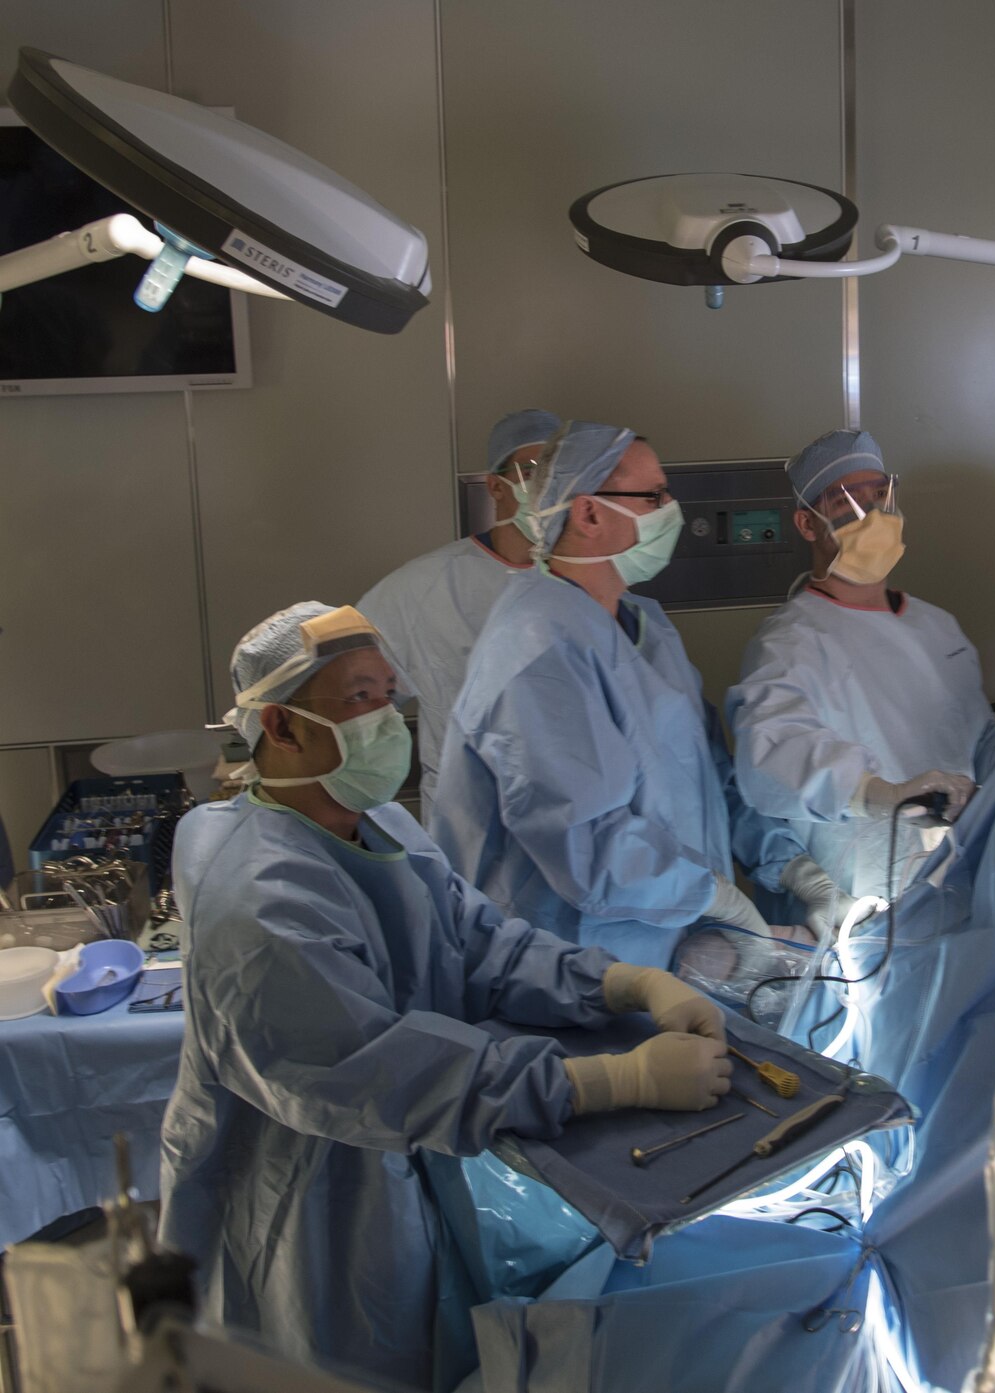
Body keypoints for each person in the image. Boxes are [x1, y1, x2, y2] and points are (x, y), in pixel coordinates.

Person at [158, 602, 734, 1390]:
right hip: (308, 1213)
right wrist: (608, 1081)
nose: (387, 720)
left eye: (390, 695)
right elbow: (373, 1071)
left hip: (399, 1177)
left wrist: (619, 984)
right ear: (280, 727)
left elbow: (476, 944)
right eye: (360, 699)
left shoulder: (381, 826)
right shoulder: (257, 900)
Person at [431, 422, 804, 970]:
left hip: (669, 946)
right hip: (574, 968)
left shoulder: (644, 627)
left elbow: (708, 772)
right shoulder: (535, 652)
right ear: (588, 514)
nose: (671, 510)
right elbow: (587, 845)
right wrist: (712, 898)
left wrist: (792, 868)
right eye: (653, 497)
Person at [727, 428, 995, 926]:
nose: (871, 513)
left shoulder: (938, 626)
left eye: (880, 494)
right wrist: (879, 794)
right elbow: (773, 756)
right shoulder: (790, 644)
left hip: (962, 881)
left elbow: (974, 736)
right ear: (807, 525)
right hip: (865, 905)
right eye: (846, 499)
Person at [356, 409, 554, 810]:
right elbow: (346, 701)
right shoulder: (422, 589)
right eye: (533, 472)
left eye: (560, 474)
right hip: (469, 822)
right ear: (495, 487)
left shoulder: (590, 586)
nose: (548, 489)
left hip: (576, 816)